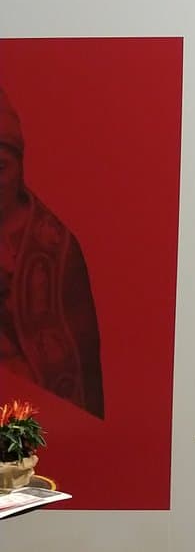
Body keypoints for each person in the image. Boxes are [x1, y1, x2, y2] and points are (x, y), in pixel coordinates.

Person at [0, 88, 104, 417]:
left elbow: (77, 364)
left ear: (19, 164)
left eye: (0, 165)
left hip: (29, 409)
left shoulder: (54, 247)